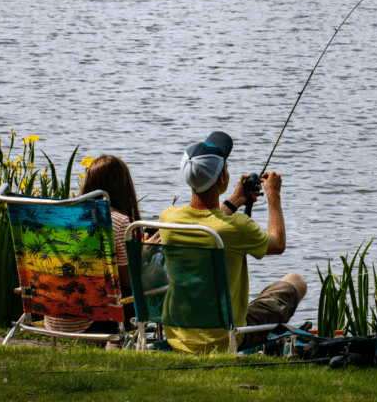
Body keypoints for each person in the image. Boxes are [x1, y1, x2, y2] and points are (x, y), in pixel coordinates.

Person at [159, 131, 307, 353]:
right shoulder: (236, 227)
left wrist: (235, 200)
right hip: (223, 338)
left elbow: (210, 223)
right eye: (226, 166)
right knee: (295, 281)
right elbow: (278, 243)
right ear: (221, 179)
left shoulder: (168, 219)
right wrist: (273, 195)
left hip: (179, 335)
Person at [44, 154, 142, 337]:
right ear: (123, 186)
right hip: (92, 320)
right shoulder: (118, 222)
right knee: (140, 284)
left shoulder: (64, 217)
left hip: (54, 316)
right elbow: (128, 281)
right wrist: (142, 252)